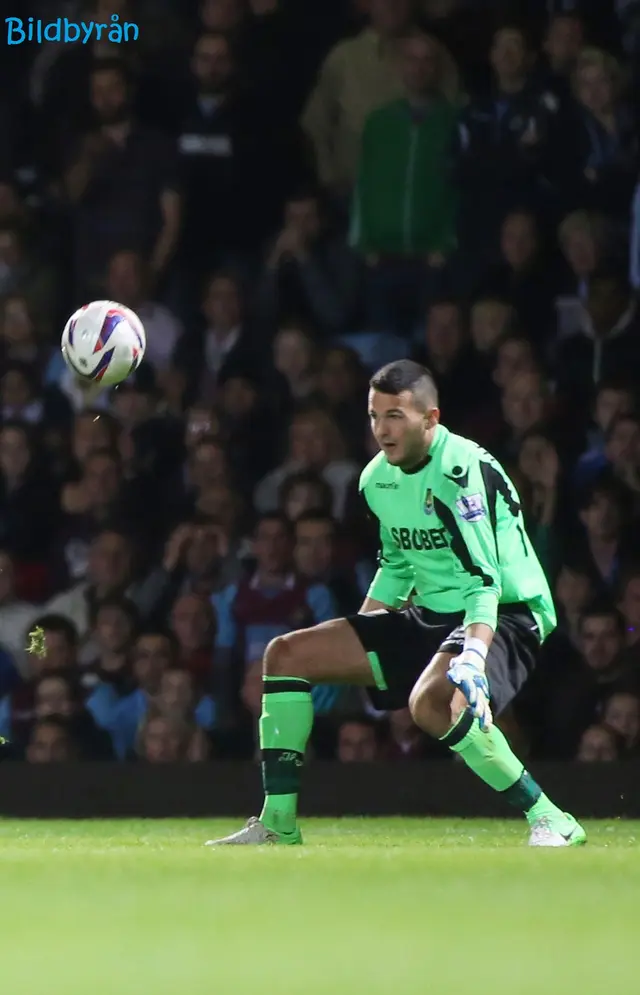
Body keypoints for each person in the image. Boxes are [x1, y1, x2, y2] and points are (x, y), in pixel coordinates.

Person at [208, 360, 586, 848]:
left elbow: (484, 579)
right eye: (373, 416)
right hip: (435, 608)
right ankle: (277, 823)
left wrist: (473, 654)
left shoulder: (458, 473)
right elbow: (399, 563)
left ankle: (551, 817)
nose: (381, 430)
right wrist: (366, 633)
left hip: (508, 610)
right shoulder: (375, 481)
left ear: (430, 419)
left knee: (430, 704)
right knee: (285, 656)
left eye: (395, 416)